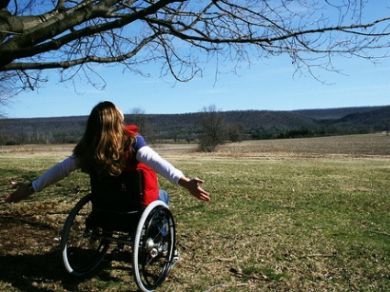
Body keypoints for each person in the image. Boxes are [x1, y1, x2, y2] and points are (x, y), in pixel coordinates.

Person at [4, 101, 210, 205]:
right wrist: (186, 183)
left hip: (104, 205)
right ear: (117, 122)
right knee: (163, 197)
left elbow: (59, 170)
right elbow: (159, 164)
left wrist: (31, 188)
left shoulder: (86, 150)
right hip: (136, 203)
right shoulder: (133, 143)